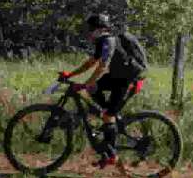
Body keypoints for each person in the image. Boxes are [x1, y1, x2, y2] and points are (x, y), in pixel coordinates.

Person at [61, 12, 148, 168]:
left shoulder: (108, 41)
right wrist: (71, 74)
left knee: (108, 115)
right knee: (93, 91)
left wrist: (86, 82)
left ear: (99, 29)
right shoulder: (102, 42)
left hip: (127, 80)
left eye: (90, 29)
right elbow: (91, 62)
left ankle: (112, 154)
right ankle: (107, 120)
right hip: (116, 77)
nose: (88, 32)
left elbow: (102, 65)